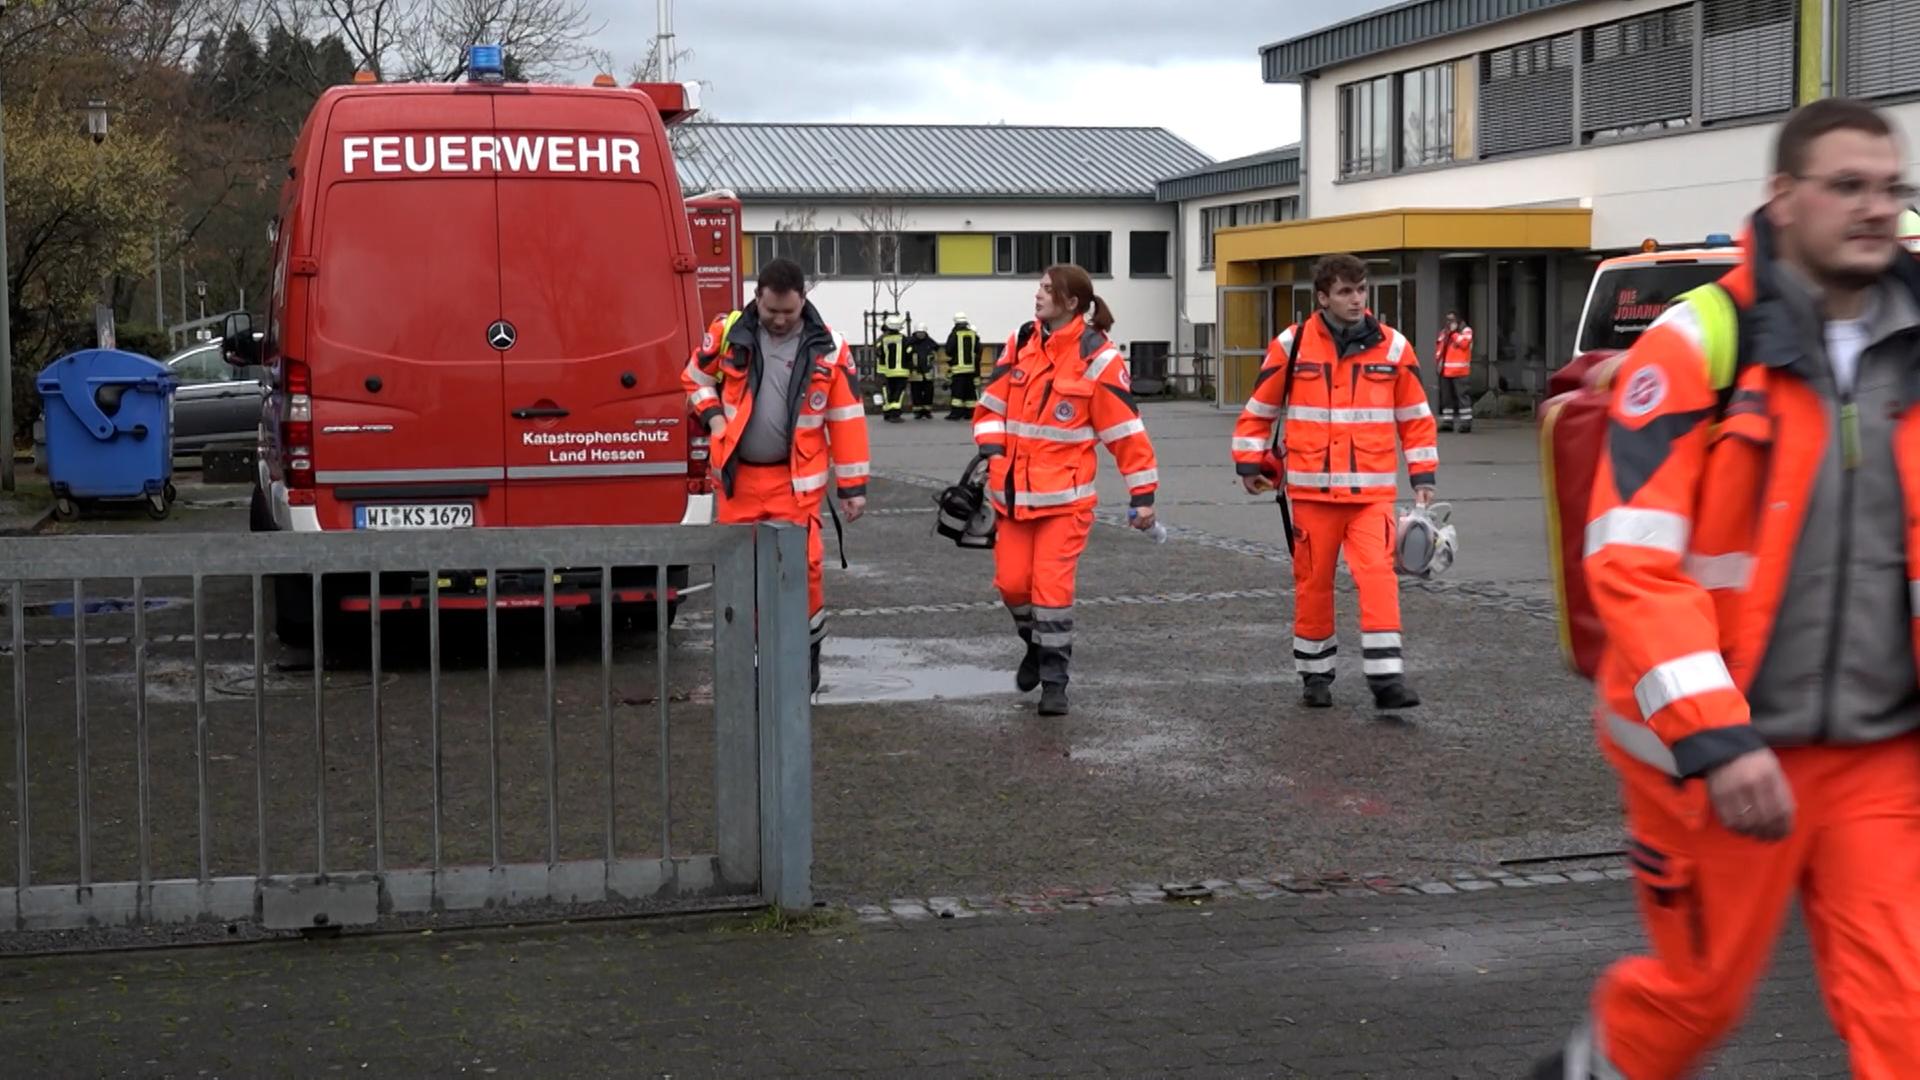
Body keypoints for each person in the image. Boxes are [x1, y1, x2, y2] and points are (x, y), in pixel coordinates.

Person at [1534, 98, 1920, 1080]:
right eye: (1848, 187)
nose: (1876, 209)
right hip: (1722, 755)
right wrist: (1717, 735)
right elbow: (1632, 558)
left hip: (1880, 756)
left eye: (1892, 190)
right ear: (1783, 198)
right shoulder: (1699, 343)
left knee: (1906, 1019)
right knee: (1699, 999)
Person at [1230, 253, 1437, 711]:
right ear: (1322, 298)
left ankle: (1387, 679)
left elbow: (1416, 418)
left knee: (1378, 577)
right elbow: (1260, 407)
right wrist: (1249, 462)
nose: (1357, 299)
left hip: (1370, 494)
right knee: (1313, 583)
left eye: (1362, 289)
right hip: (1311, 493)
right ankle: (1315, 676)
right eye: (1346, 291)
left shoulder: (1395, 348)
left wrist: (1423, 475)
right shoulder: (1292, 344)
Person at [974, 264, 1160, 716]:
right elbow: (990, 406)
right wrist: (993, 450)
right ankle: (1035, 647)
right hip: (1013, 496)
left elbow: (1126, 433)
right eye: (1038, 286)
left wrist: (1143, 495)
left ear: (1072, 303)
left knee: (1051, 590)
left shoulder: (1099, 358)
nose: (1037, 295)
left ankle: (1055, 680)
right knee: (1012, 584)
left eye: (1048, 289)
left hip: (1065, 502)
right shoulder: (1020, 342)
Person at [683, 258, 870, 693]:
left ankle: (806, 657)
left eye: (789, 311)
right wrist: (713, 420)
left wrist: (853, 487)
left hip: (795, 485)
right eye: (772, 312)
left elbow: (846, 419)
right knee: (742, 577)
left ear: (803, 299)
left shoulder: (830, 349)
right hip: (738, 483)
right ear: (757, 299)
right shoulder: (729, 335)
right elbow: (693, 379)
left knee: (803, 573)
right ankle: (752, 664)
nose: (781, 320)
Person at [1434, 310, 1475, 433]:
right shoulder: (1444, 333)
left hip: (1460, 371)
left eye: (1452, 319)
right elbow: (1440, 349)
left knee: (1462, 397)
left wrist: (1453, 333)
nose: (1449, 322)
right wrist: (1438, 364)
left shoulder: (1466, 331)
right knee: (1447, 398)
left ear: (1458, 320)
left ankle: (1466, 423)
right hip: (1445, 371)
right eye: (1448, 319)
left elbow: (1464, 343)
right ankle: (1448, 422)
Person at [944, 313, 981, 420]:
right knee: (970, 393)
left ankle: (956, 414)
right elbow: (977, 350)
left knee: (957, 393)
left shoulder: (954, 334)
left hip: (958, 370)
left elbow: (949, 350)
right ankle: (970, 413)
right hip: (971, 370)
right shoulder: (973, 335)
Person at [875, 316, 909, 423]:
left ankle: (887, 412)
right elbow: (909, 352)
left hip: (886, 371)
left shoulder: (882, 340)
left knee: (887, 391)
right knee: (898, 392)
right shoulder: (904, 339)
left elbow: (878, 353)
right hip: (902, 371)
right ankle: (894, 414)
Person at [908, 328, 938, 419]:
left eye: (922, 333)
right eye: (919, 333)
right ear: (915, 333)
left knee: (929, 392)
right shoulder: (910, 343)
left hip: (927, 373)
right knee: (916, 393)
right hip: (915, 373)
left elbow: (936, 350)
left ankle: (927, 411)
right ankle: (917, 411)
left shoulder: (930, 343)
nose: (921, 335)